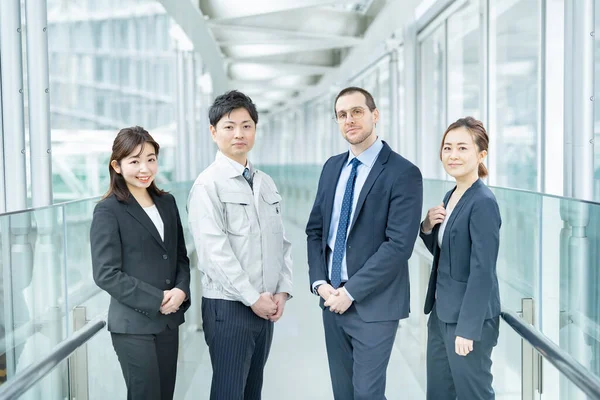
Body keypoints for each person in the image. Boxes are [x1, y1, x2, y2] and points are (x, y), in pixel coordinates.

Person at [306, 86, 423, 400]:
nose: (349, 120)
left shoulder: (403, 173)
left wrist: (351, 291)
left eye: (356, 111)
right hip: (331, 301)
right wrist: (320, 283)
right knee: (343, 394)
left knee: (367, 395)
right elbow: (315, 231)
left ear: (375, 115)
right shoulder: (332, 168)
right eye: (342, 115)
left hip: (374, 305)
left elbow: (398, 245)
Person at [187, 90, 293, 400]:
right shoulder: (208, 185)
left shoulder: (265, 182)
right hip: (229, 308)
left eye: (247, 126)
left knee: (252, 392)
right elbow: (213, 254)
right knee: (229, 393)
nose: (239, 134)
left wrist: (282, 291)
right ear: (213, 132)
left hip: (265, 308)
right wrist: (251, 298)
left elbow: (281, 244)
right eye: (230, 126)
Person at [90, 126, 191, 400]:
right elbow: (105, 274)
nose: (144, 168)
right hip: (133, 325)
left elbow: (179, 256)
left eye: (150, 158)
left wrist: (181, 291)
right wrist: (157, 298)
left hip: (169, 321)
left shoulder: (167, 202)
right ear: (117, 166)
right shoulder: (108, 210)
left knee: (165, 395)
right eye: (134, 161)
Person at [419, 116, 501, 400]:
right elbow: (451, 255)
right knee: (439, 394)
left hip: (468, 321)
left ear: (481, 154)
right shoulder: (451, 195)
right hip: (442, 313)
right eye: (447, 147)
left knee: (473, 395)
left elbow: (483, 272)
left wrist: (467, 330)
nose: (453, 155)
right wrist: (427, 226)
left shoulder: (483, 203)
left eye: (462, 148)